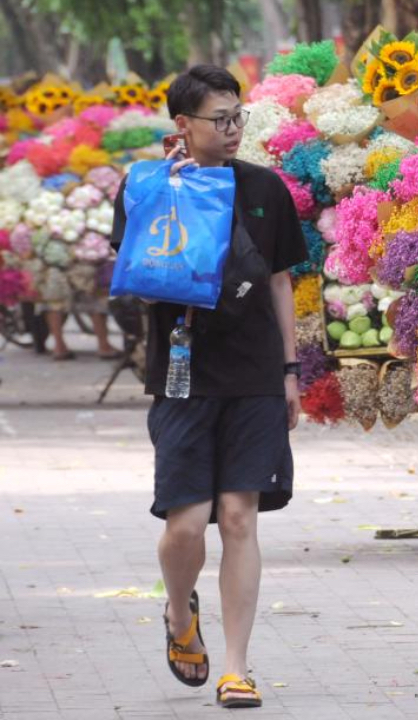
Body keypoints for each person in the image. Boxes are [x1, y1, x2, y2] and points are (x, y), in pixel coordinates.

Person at [109, 65, 308, 710]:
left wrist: (289, 371)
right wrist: (175, 211)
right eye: (218, 119)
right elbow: (134, 271)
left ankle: (236, 667)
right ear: (182, 126)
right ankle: (177, 611)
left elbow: (281, 282)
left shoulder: (265, 188)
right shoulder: (149, 187)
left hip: (252, 371)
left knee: (239, 517)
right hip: (182, 370)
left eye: (238, 116)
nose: (232, 130)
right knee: (187, 524)